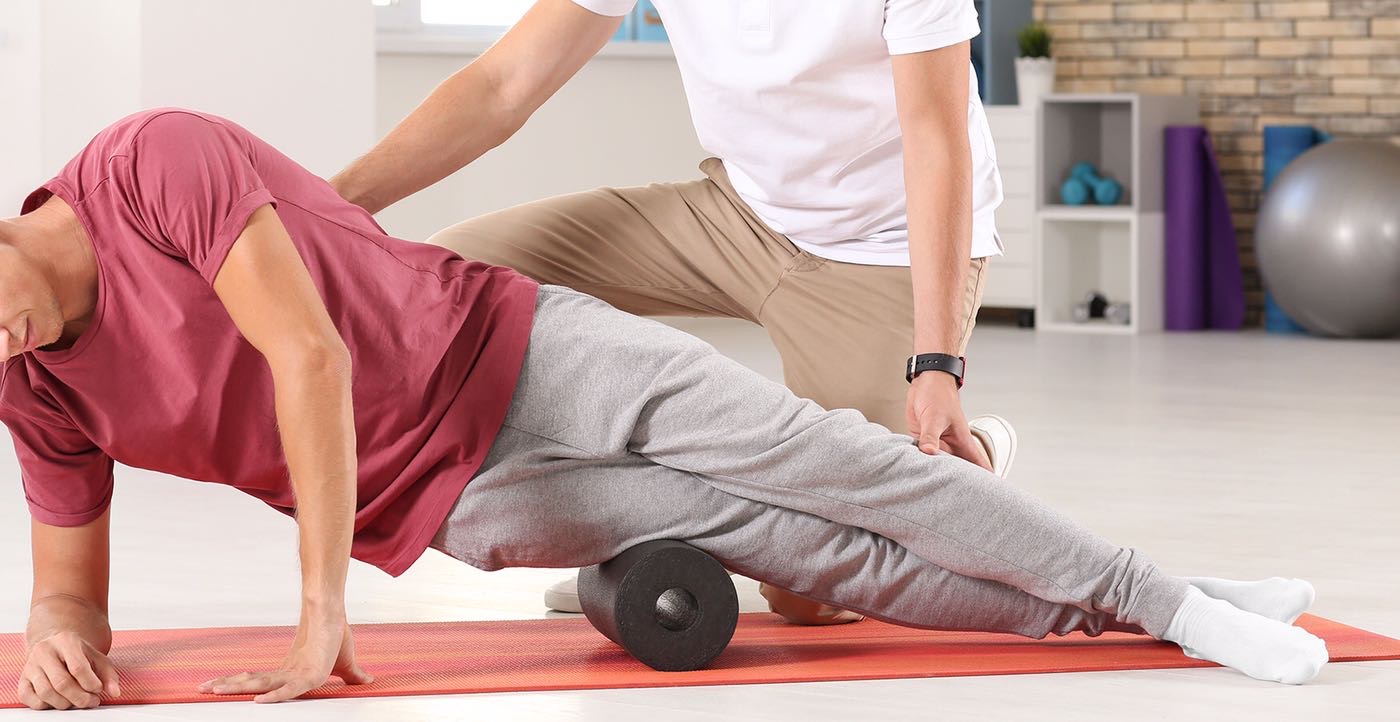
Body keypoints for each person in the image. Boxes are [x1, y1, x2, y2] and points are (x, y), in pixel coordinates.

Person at [2, 110, 1326, 710]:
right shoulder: (30, 385)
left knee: (831, 462)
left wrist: (320, 620)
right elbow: (70, 584)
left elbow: (308, 361)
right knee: (805, 545)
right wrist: (66, 641)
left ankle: (1173, 600)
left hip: (518, 343)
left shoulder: (146, 164)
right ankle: (1136, 602)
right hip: (452, 495)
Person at [330, 0, 1013, 621]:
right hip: (740, 217)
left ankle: (961, 457)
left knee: (807, 594)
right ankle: (633, 522)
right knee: (445, 286)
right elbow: (503, 85)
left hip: (885, 253)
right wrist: (331, 208)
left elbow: (936, 144)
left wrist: (935, 366)